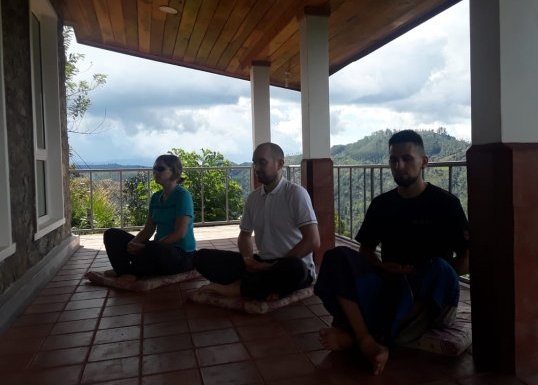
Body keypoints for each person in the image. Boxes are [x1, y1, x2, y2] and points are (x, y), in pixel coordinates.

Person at [314, 130, 469, 375]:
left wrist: (426, 274)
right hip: (390, 283)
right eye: (394, 160)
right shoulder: (382, 205)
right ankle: (366, 339)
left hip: (428, 291)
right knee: (337, 256)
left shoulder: (446, 204)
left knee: (440, 269)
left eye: (407, 159)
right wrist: (379, 267)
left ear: (424, 162)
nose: (399, 166)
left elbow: (467, 256)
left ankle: (357, 337)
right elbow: (365, 249)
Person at [193, 142, 320, 300]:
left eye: (262, 162)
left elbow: (313, 241)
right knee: (201, 257)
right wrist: (248, 259)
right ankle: (259, 286)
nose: (257, 168)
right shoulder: (254, 198)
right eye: (254, 163)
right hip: (261, 263)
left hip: (289, 264)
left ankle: (240, 288)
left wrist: (273, 266)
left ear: (280, 164)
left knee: (294, 268)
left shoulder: (296, 194)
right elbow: (245, 235)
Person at [103, 154, 196, 282]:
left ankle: (132, 272)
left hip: (180, 255)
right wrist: (133, 243)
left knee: (154, 247)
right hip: (156, 250)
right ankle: (125, 271)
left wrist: (146, 249)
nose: (156, 172)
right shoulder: (156, 197)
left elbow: (180, 233)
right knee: (112, 235)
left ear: (174, 172)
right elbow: (148, 230)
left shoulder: (182, 196)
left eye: (161, 169)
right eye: (154, 169)